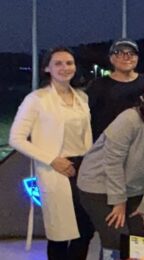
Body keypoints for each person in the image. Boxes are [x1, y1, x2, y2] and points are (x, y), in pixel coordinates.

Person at [77, 74, 144, 257]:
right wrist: (118, 201)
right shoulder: (129, 119)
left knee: (139, 240)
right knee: (119, 239)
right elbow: (113, 162)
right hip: (98, 184)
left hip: (133, 187)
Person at [9, 47, 94, 259]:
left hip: (83, 168)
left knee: (85, 230)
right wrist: (52, 160)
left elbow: (87, 136)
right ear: (47, 68)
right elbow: (16, 138)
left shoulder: (82, 98)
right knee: (60, 233)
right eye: (58, 63)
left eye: (69, 63)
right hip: (55, 169)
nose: (65, 67)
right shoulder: (36, 99)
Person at [86, 38, 144, 138]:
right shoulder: (97, 85)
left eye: (131, 53)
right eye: (119, 53)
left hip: (141, 141)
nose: (126, 57)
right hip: (106, 143)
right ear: (111, 58)